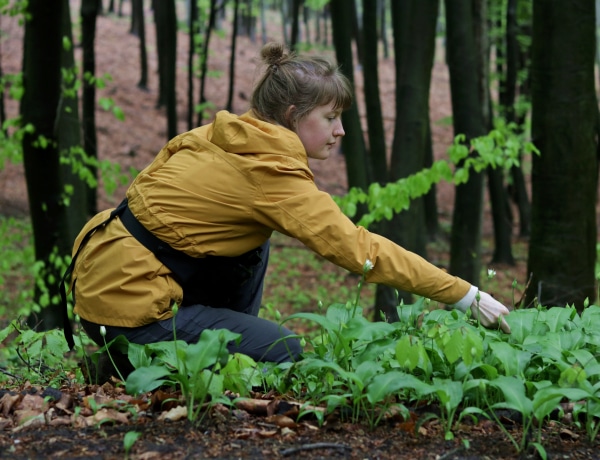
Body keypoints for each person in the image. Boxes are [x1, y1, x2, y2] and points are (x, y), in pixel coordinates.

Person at [63, 42, 511, 373]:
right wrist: (463, 295)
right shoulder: (271, 175)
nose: (340, 133)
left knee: (256, 243)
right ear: (294, 115)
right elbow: (359, 249)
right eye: (330, 119)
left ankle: (186, 348)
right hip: (131, 306)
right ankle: (128, 364)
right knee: (287, 352)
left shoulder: (218, 134)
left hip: (104, 283)